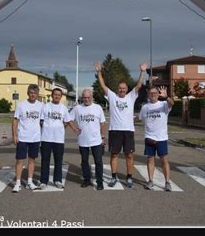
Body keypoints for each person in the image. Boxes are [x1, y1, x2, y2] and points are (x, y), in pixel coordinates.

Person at [94, 60, 148, 188]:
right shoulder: (112, 97)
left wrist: (142, 72)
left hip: (128, 131)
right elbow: (103, 85)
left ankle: (129, 178)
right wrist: (99, 72)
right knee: (114, 154)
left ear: (127, 89)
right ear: (117, 89)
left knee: (129, 155)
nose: (122, 90)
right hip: (115, 131)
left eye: (124, 88)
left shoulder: (131, 96)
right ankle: (114, 177)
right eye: (120, 88)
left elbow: (139, 85)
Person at [39, 88, 80, 189]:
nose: (57, 96)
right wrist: (47, 128)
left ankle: (57, 180)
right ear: (52, 95)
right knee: (45, 160)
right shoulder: (46, 107)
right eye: (55, 94)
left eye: (59, 95)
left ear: (61, 97)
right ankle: (43, 181)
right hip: (46, 139)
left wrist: (74, 129)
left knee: (58, 161)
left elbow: (68, 121)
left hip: (58, 139)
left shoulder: (63, 108)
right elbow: (41, 120)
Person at [139, 85, 174, 192]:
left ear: (158, 94)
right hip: (149, 137)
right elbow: (139, 118)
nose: (153, 95)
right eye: (151, 93)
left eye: (155, 93)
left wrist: (167, 97)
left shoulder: (164, 104)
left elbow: (172, 103)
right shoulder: (145, 107)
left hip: (161, 138)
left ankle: (167, 182)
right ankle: (150, 181)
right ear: (148, 94)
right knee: (150, 159)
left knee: (164, 160)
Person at [69, 89, 106, 190]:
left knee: (98, 161)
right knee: (84, 161)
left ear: (92, 97)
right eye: (84, 97)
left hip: (96, 140)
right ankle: (86, 179)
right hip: (83, 140)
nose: (86, 99)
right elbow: (68, 118)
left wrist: (103, 136)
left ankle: (99, 182)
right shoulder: (77, 108)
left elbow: (102, 123)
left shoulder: (98, 108)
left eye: (88, 97)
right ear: (82, 98)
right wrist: (74, 129)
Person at [12, 84, 43, 192]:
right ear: (28, 93)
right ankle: (18, 182)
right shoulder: (21, 105)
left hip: (35, 137)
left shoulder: (41, 105)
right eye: (31, 93)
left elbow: (42, 122)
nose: (33, 95)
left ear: (38, 94)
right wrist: (14, 135)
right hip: (23, 137)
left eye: (35, 93)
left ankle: (29, 181)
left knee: (32, 159)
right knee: (19, 160)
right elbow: (15, 120)